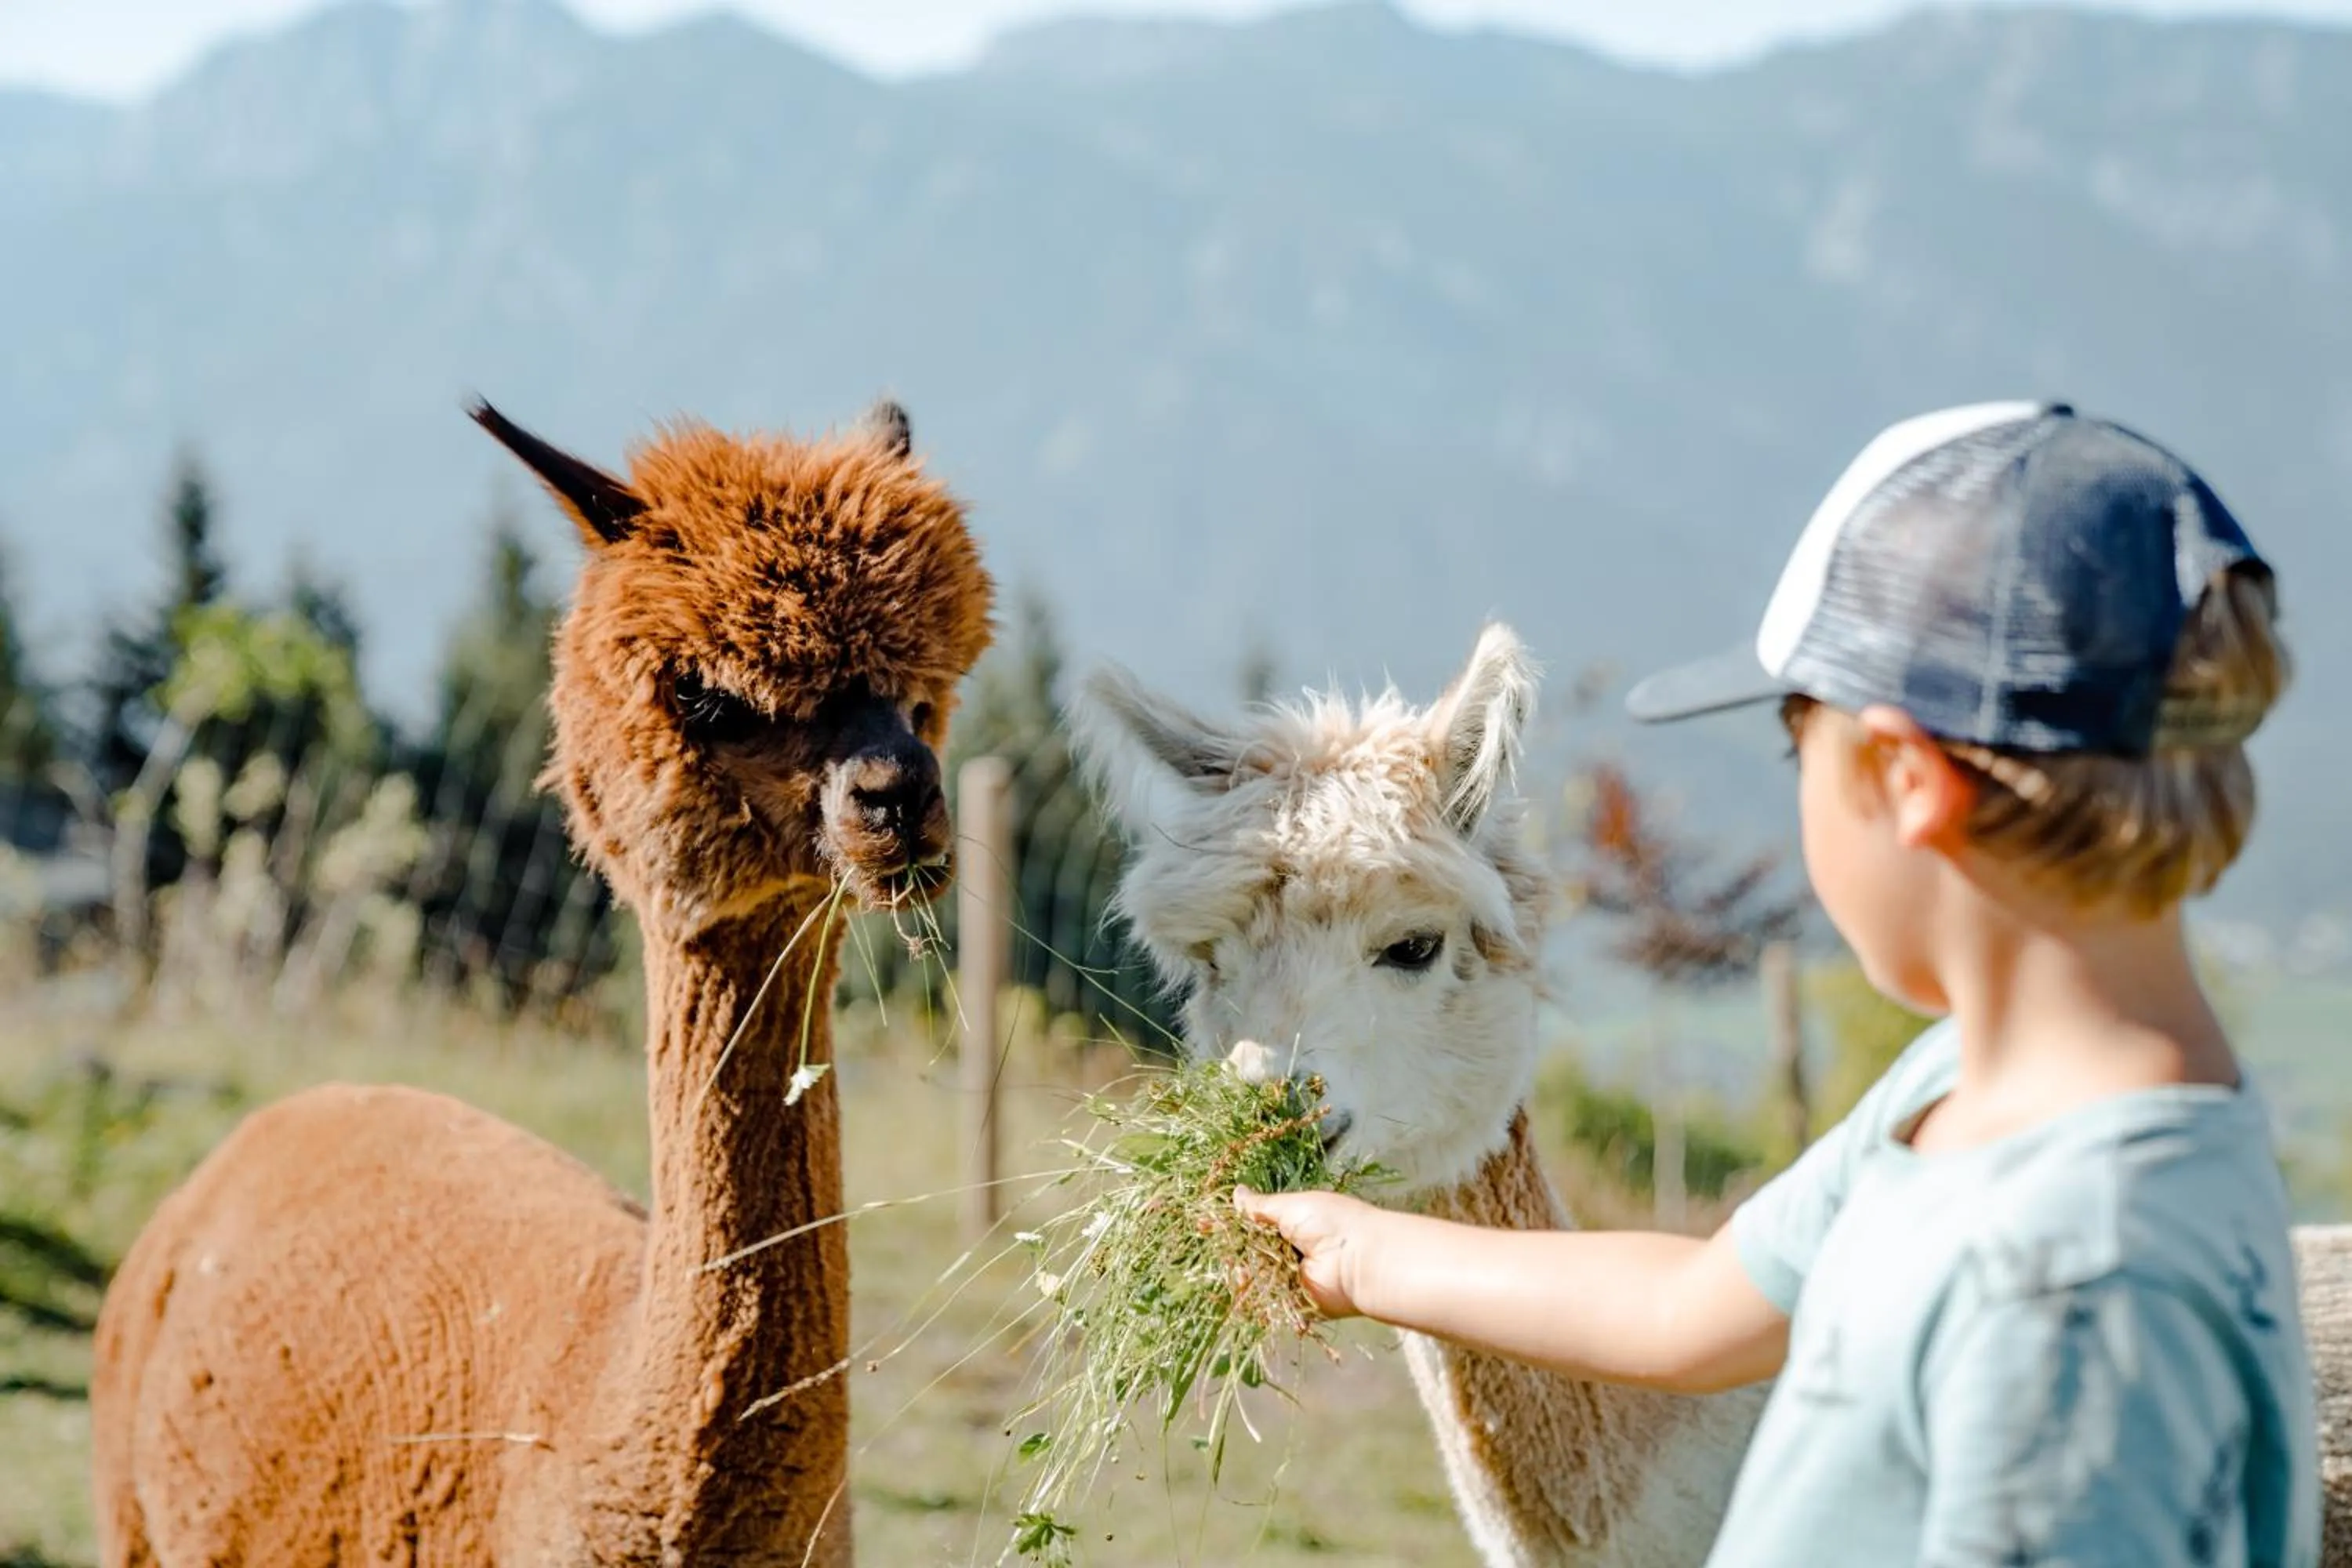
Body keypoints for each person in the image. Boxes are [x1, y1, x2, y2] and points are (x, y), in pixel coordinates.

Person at [1238, 401, 2320, 1566]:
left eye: (1795, 746)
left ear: (1905, 781)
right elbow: (1696, 1308)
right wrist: (1366, 1256)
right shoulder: (1971, 1091)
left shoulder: (2074, 1296)